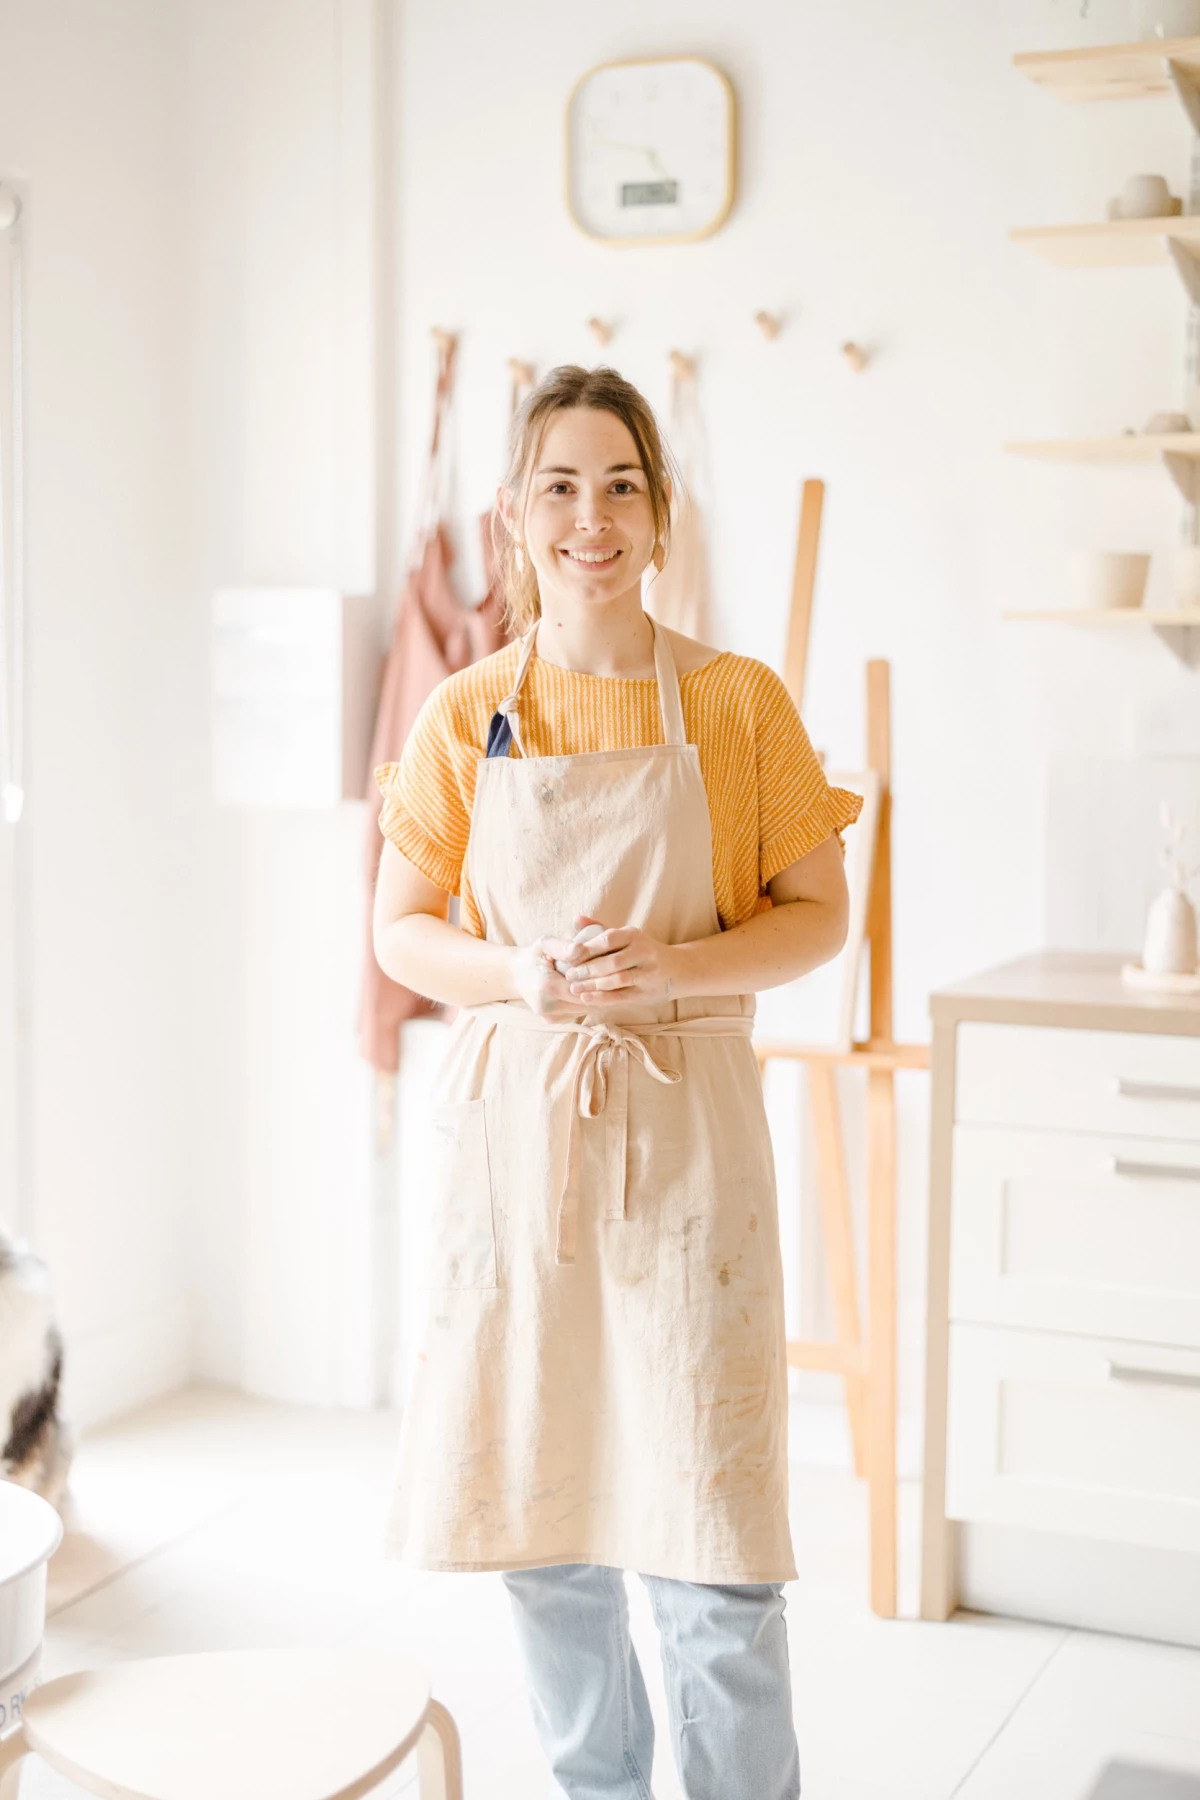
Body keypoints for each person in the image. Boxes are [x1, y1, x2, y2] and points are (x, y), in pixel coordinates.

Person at [372, 365, 862, 1800]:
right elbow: (401, 928)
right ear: (516, 517)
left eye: (622, 484)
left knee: (715, 1552)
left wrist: (675, 973)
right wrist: (520, 974)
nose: (593, 517)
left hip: (692, 1160)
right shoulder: (467, 718)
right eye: (562, 486)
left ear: (662, 515)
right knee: (551, 1536)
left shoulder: (736, 703)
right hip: (524, 1166)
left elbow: (821, 914)